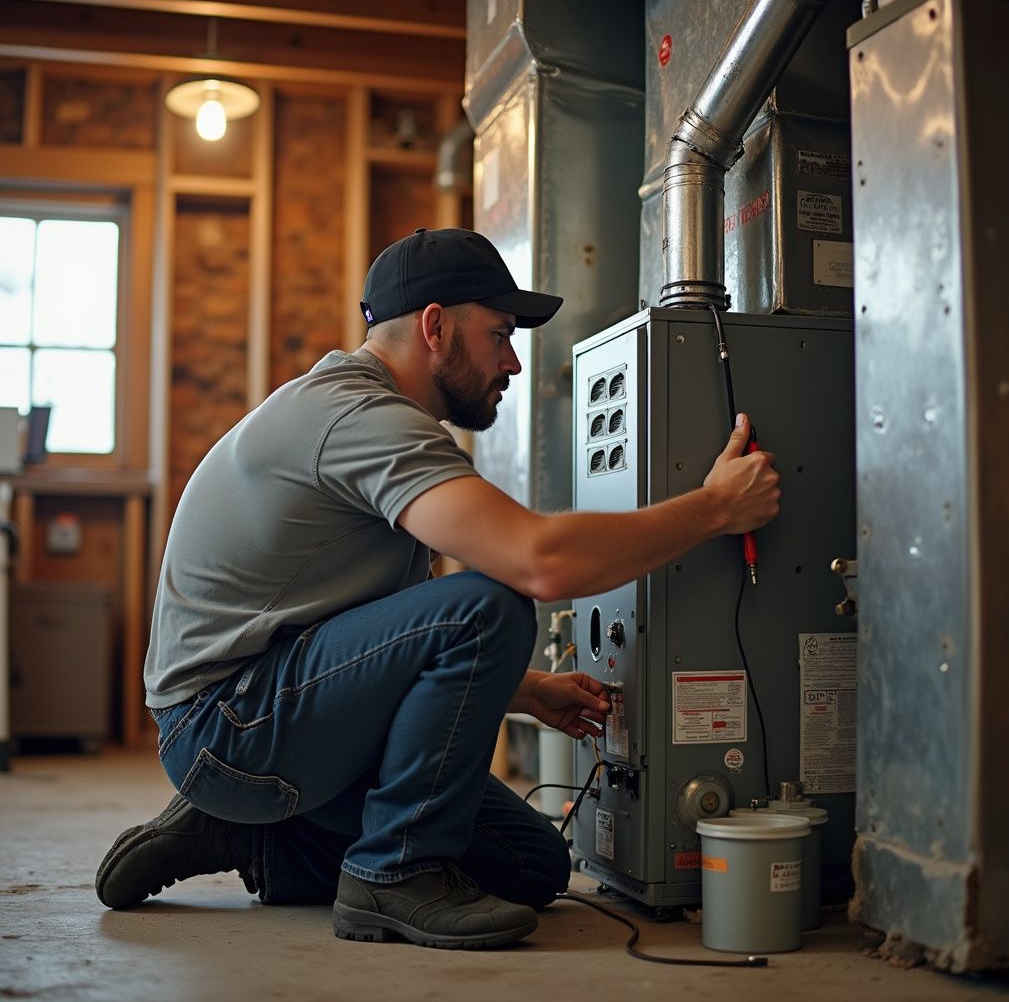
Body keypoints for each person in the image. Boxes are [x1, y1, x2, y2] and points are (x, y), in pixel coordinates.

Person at [95, 227, 780, 950]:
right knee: (489, 605)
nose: (512, 361)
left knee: (531, 866)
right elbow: (538, 562)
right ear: (434, 326)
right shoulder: (360, 420)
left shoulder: (365, 417)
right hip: (226, 725)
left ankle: (256, 836)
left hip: (263, 714)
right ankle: (389, 874)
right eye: (499, 334)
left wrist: (522, 687)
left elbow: (352, 631)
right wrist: (715, 508)